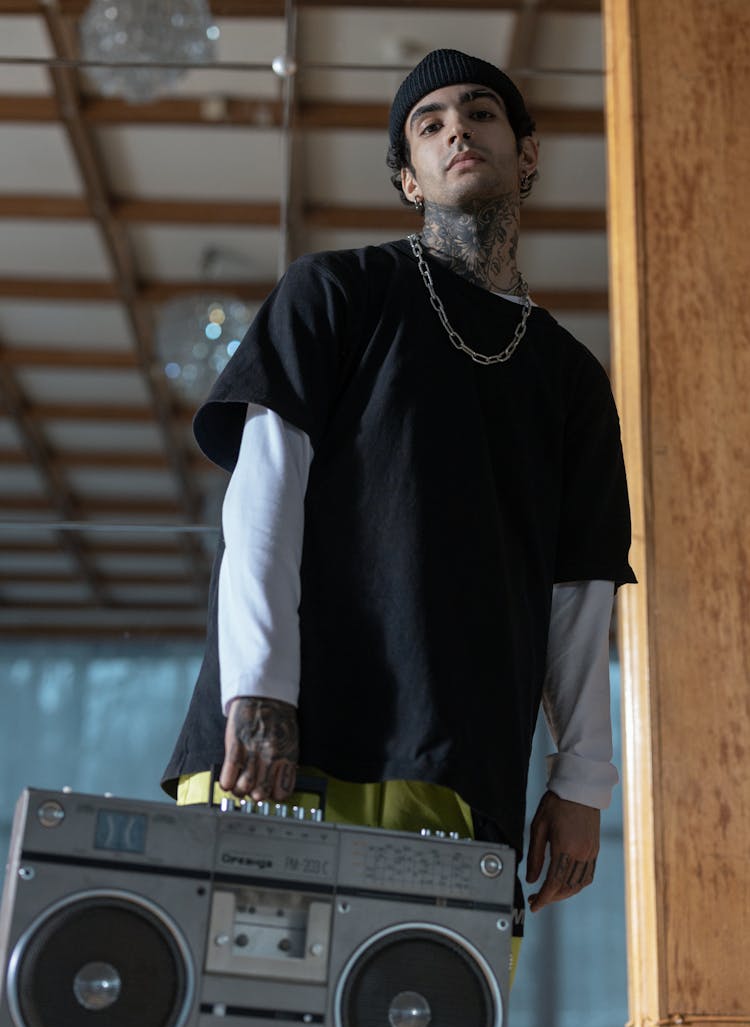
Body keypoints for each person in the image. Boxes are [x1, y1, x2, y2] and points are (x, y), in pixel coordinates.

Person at [163, 49, 635, 974]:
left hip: (457, 762)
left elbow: (579, 589)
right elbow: (261, 500)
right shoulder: (335, 293)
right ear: (407, 180)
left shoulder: (573, 379)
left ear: (528, 153)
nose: (457, 128)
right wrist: (258, 689)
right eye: (429, 124)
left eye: (481, 113)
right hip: (288, 743)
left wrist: (581, 779)